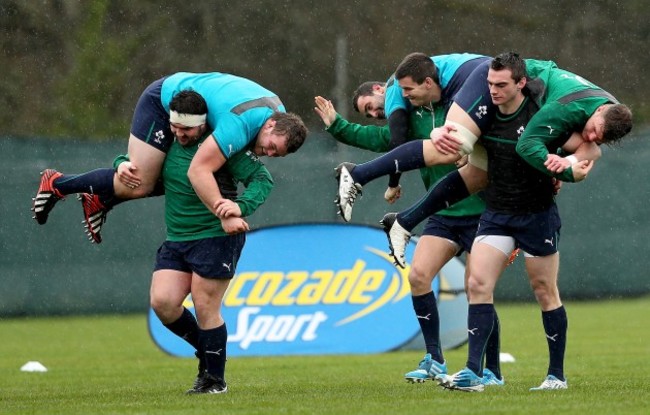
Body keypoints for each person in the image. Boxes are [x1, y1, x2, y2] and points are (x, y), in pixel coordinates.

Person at [391, 52, 629, 392]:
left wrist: (570, 164)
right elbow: (457, 154)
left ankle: (556, 376)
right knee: (477, 284)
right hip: (497, 215)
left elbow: (588, 151)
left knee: (544, 291)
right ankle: (475, 372)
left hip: (536, 216)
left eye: (501, 85)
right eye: (489, 84)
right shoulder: (482, 116)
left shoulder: (545, 116)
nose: (493, 90)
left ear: (521, 83)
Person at [31, 72, 306, 243]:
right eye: (270, 146)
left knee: (169, 176)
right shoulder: (239, 126)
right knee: (137, 183)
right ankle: (57, 183)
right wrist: (224, 214)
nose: (267, 153)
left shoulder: (277, 113)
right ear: (270, 125)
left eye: (275, 154)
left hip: (194, 108)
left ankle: (101, 199)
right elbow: (199, 171)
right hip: (162, 101)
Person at [147, 90, 275, 394]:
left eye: (186, 129)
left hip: (216, 237)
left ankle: (214, 380)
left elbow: (263, 179)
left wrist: (239, 207)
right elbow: (140, 160)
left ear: (203, 124)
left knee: (205, 306)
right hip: (177, 237)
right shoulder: (167, 139)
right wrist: (124, 162)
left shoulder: (224, 146)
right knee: (163, 303)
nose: (179, 134)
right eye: (175, 127)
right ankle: (206, 351)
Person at [336, 52, 494, 221]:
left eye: (369, 106)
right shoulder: (434, 88)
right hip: (487, 73)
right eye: (368, 114)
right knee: (470, 159)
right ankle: (403, 221)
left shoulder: (393, 87)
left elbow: (398, 139)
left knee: (457, 154)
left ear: (378, 89)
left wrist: (393, 184)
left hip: (481, 76)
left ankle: (361, 176)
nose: (374, 114)